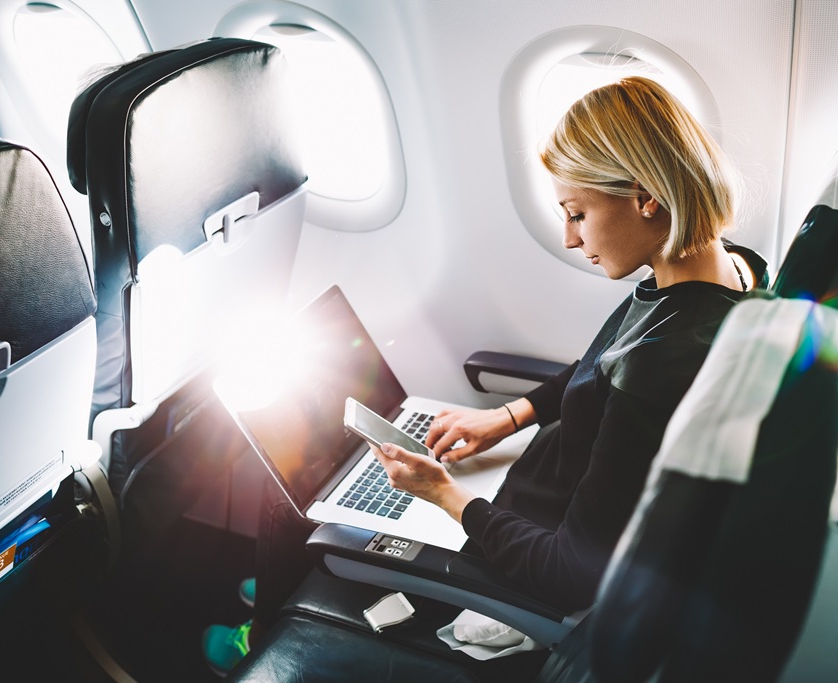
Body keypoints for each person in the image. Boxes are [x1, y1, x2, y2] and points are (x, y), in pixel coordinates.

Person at [203, 75, 768, 675]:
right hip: (535, 476)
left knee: (299, 484)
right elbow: (601, 365)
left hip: (525, 531)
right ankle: (278, 586)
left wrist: (442, 494)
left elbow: (568, 574)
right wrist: (504, 418)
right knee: (334, 471)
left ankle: (263, 626)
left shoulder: (661, 369)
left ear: (645, 198)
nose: (570, 238)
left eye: (578, 214)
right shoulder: (730, 271)